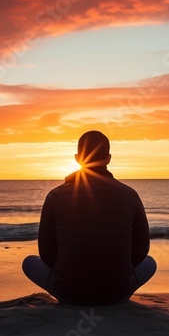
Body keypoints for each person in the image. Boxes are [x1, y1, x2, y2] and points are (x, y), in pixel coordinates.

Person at [22, 130, 156, 305]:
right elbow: (142, 248)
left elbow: (46, 254)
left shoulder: (54, 195)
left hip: (69, 293)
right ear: (109, 158)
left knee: (29, 263)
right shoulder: (130, 195)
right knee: (150, 262)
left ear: (78, 158)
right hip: (117, 292)